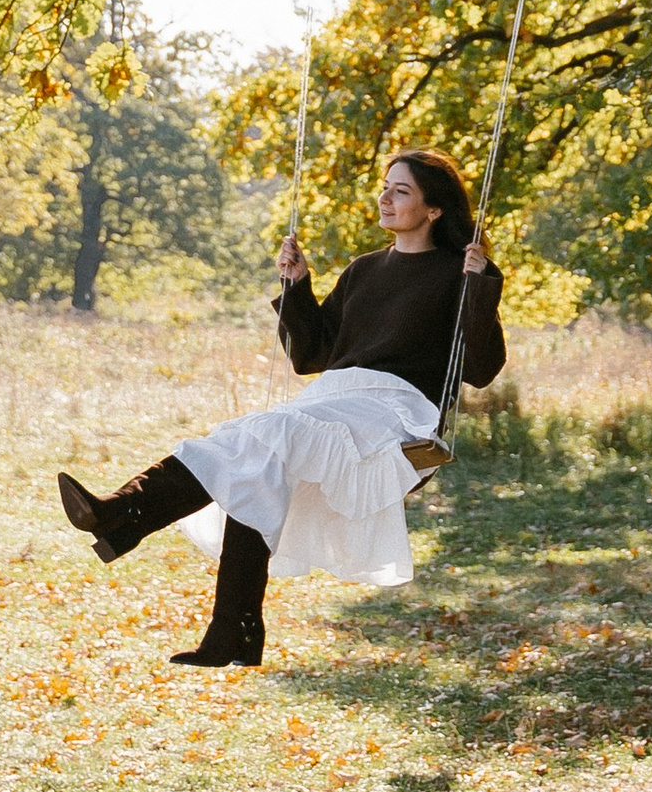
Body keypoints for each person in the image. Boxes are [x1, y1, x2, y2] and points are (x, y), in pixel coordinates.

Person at [55, 150, 505, 668]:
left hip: (398, 409)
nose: (385, 197)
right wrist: (296, 287)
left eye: (401, 191)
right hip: (334, 398)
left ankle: (124, 514)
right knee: (254, 453)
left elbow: (480, 369)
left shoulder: (458, 272)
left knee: (272, 435)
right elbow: (312, 356)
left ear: (434, 210)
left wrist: (480, 288)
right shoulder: (364, 270)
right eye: (385, 186)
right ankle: (232, 632)